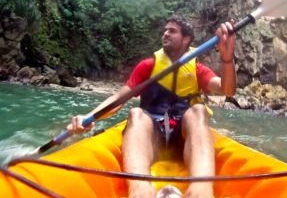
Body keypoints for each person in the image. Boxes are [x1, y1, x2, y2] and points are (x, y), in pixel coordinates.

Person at [67, 15, 236, 198]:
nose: (165, 33)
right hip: (152, 139)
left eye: (172, 31)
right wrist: (89, 117)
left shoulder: (196, 69)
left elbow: (227, 89)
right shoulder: (148, 66)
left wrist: (227, 59)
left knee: (198, 111)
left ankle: (201, 191)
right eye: (165, 30)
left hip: (184, 139)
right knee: (136, 113)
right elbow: (119, 99)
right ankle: (140, 191)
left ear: (186, 38)